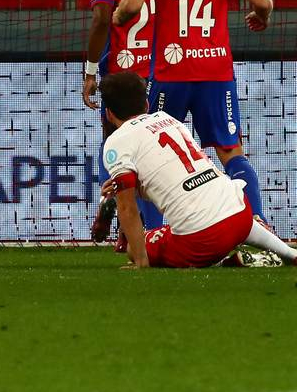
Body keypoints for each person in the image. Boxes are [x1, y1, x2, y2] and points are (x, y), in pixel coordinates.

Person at [114, 0, 275, 224]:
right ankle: (256, 225)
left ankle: (155, 235)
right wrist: (261, 17)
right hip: (215, 70)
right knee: (230, 151)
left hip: (171, 72)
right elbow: (262, 1)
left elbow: (133, 4)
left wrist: (118, 15)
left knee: (152, 155)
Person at [98, 71, 296, 268]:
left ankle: (228, 263)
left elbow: (127, 208)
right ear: (147, 105)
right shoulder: (167, 119)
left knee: (134, 248)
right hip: (241, 213)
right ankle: (289, 253)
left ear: (109, 113)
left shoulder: (116, 142)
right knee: (224, 208)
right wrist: (136, 189)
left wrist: (141, 262)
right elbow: (171, 179)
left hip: (200, 238)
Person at [82, 0, 161, 240]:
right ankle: (148, 229)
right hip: (157, 74)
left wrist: (90, 72)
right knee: (153, 153)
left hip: (119, 75)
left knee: (113, 146)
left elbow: (101, 19)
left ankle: (110, 202)